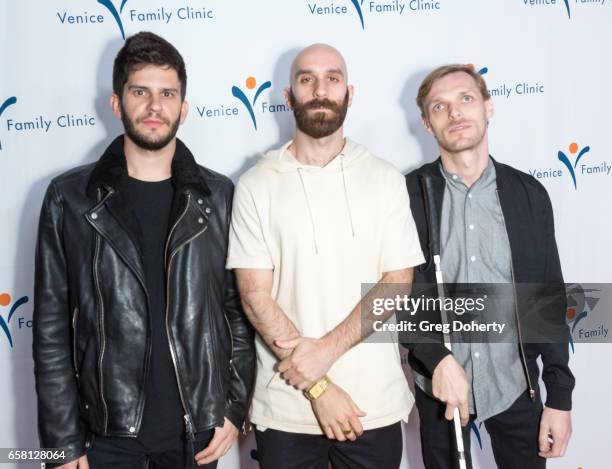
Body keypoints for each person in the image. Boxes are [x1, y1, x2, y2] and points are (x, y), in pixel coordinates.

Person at [32, 31, 254, 469]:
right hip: (105, 437)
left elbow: (238, 310)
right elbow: (51, 329)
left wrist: (233, 406)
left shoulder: (218, 196)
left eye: (168, 93)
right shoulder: (70, 198)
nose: (155, 106)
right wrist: (61, 441)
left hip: (196, 436)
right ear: (117, 103)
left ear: (183, 109)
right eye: (141, 92)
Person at [226, 43, 425, 469]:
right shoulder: (255, 184)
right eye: (307, 79)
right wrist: (319, 387)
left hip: (374, 406)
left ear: (349, 93)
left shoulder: (386, 179)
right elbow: (255, 298)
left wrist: (324, 354)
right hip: (287, 409)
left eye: (332, 79)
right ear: (288, 96)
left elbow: (397, 284)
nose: (320, 89)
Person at [403, 64, 575, 468]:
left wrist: (560, 397)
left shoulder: (529, 194)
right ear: (427, 124)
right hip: (441, 389)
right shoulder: (407, 195)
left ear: (488, 107)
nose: (456, 113)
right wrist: (437, 359)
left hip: (515, 386)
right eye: (440, 107)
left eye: (465, 99)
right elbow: (397, 296)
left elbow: (547, 297)